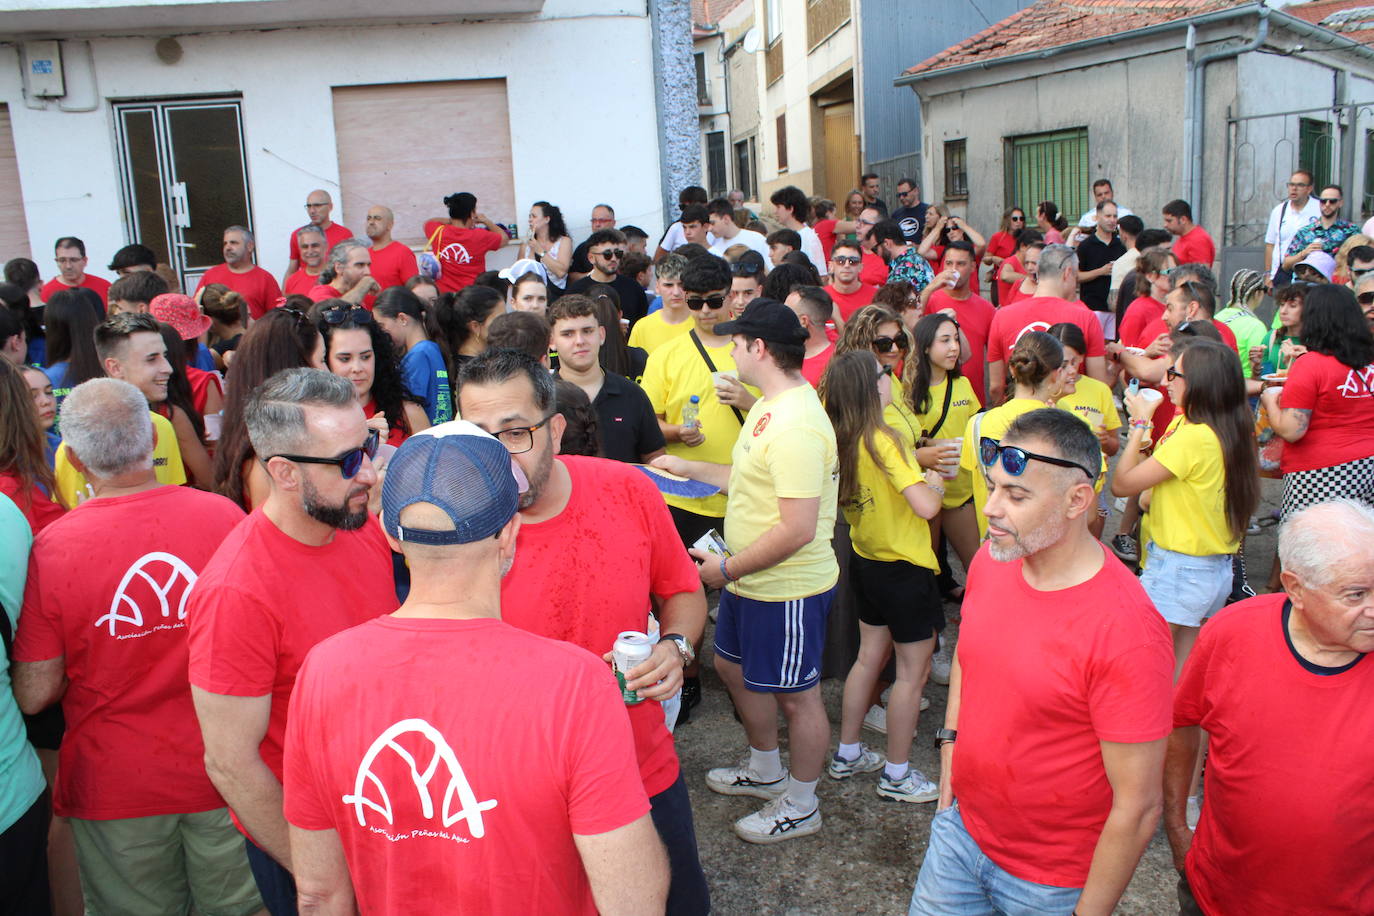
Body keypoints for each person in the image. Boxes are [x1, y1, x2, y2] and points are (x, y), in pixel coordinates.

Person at [283, 421, 669, 914]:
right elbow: (633, 901)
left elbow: (318, 893)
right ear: (509, 532)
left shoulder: (323, 670)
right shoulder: (575, 683)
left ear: (390, 535)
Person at [456, 349, 710, 914]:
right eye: (478, 435)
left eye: (515, 432)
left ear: (557, 429)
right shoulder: (452, 523)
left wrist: (676, 646)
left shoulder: (628, 489)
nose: (498, 454)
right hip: (516, 789)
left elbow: (683, 590)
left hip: (638, 764)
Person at [12, 378, 262, 916]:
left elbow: (35, 691)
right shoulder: (224, 518)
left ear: (74, 461)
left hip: (117, 785)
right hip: (228, 771)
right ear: (153, 437)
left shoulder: (54, 546)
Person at [910, 408, 1173, 916]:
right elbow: (971, 651)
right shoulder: (993, 559)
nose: (991, 509)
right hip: (960, 837)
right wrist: (950, 742)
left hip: (1051, 885)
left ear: (1079, 500)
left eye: (1016, 495)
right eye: (992, 487)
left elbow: (1139, 807)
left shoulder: (1127, 631)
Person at [188, 368, 396, 915]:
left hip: (383, 811)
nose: (370, 474)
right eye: (348, 461)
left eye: (368, 446)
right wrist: (316, 874)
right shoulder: (237, 591)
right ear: (281, 471)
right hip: (312, 844)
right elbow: (230, 763)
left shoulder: (356, 527)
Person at [653, 298, 839, 845]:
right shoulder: (769, 405)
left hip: (785, 589)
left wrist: (726, 570)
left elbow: (799, 527)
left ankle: (802, 805)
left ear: (759, 349)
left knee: (798, 697)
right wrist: (688, 468)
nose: (728, 347)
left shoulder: (797, 425)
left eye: (736, 341)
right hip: (748, 579)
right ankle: (765, 769)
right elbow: (749, 478)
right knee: (731, 666)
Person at [1165, 499, 1374, 916]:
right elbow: (1182, 724)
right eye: (1356, 594)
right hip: (1213, 896)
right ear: (1295, 588)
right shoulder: (1232, 632)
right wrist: (1177, 827)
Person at [820, 349, 946, 802]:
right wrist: (934, 483)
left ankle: (848, 752)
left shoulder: (842, 438)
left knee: (867, 659)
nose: (890, 377)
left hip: (867, 561)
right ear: (873, 388)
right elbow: (927, 507)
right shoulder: (883, 438)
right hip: (906, 568)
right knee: (912, 675)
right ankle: (896, 774)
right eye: (884, 373)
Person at [1113, 338, 1259, 678]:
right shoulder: (1227, 428)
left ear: (1200, 382)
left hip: (1179, 570)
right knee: (1180, 676)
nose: (1165, 382)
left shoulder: (1194, 437)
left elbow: (1122, 485)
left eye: (1173, 373)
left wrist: (1138, 424)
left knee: (1144, 669)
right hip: (1210, 570)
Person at [640, 256, 753, 546]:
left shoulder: (756, 348)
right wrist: (678, 431)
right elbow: (648, 424)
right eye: (695, 302)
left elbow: (784, 413)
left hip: (747, 492)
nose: (704, 311)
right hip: (684, 498)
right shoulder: (665, 356)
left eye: (714, 302)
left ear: (730, 297)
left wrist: (750, 402)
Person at [1260, 284, 1374, 516]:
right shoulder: (1369, 360)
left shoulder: (1312, 364)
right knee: (1361, 543)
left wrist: (1270, 401)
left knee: (1306, 544)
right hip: (1369, 467)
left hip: (1321, 472)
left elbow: (1292, 430)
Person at [959, 332, 1076, 538]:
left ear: (1013, 369)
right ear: (1056, 374)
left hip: (994, 542)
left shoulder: (977, 423)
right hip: (1042, 546)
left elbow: (971, 483)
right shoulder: (1064, 428)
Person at [212, 308, 324, 511]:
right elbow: (277, 537)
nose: (328, 371)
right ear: (297, 370)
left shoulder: (256, 437)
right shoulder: (266, 461)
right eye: (322, 360)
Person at [985, 245, 1108, 405]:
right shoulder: (1086, 317)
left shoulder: (1002, 316)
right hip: (1068, 420)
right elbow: (1098, 386)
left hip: (1018, 418)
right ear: (1068, 273)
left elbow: (995, 387)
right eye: (1076, 277)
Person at [551, 294, 665, 463]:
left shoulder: (633, 395)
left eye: (587, 331)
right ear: (551, 341)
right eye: (568, 334)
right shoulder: (540, 400)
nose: (580, 341)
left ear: (601, 335)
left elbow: (654, 457)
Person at [319, 304, 429, 448]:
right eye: (345, 359)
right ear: (324, 360)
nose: (357, 368)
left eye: (366, 357)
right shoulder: (312, 422)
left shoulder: (410, 413)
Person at [920, 240, 995, 405]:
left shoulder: (986, 309)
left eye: (961, 264)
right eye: (948, 263)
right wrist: (930, 287)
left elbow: (995, 357)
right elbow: (911, 329)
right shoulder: (930, 300)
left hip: (973, 401)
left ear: (973, 267)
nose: (953, 269)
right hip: (934, 402)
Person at [372, 287, 452, 425]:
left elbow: (412, 408)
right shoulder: (431, 348)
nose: (381, 333)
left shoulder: (418, 356)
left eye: (381, 325)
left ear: (402, 318)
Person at [0, 359, 63, 533]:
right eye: (31, 396)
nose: (45, 401)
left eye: (49, 392)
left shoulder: (63, 448)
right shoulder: (8, 480)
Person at [423, 192, 506, 294]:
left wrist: (451, 220)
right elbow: (504, 239)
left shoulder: (438, 230)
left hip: (444, 295)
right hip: (471, 294)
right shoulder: (480, 236)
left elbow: (428, 222)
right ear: (471, 213)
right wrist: (486, 221)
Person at [196, 227, 282, 320]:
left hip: (253, 333)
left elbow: (277, 318)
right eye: (225, 243)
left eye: (233, 243)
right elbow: (196, 310)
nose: (228, 248)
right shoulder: (210, 275)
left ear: (250, 246)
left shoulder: (265, 279)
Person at [567, 229, 650, 324]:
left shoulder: (633, 288)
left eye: (618, 253)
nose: (613, 259)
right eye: (607, 254)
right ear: (591, 258)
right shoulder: (576, 291)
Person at [283, 190, 353, 287]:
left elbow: (351, 268)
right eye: (309, 206)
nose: (312, 211)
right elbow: (292, 269)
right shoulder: (298, 235)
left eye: (317, 205)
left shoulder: (344, 234)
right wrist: (285, 299)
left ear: (330, 207)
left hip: (335, 292)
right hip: (305, 294)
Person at [1266, 169, 1322, 287]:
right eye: (1291, 184)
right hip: (1284, 271)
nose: (1294, 188)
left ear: (1309, 189)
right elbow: (1271, 244)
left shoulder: (1319, 208)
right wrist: (1268, 275)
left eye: (1300, 185)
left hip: (1311, 272)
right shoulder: (1279, 211)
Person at [1074, 200, 1126, 325]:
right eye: (1108, 216)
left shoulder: (1121, 245)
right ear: (1097, 217)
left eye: (1115, 216)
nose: (1112, 220)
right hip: (1093, 309)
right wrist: (1101, 271)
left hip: (1116, 309)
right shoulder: (1086, 246)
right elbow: (1077, 276)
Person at [628, 253, 693, 354]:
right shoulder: (642, 328)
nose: (676, 292)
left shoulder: (703, 324)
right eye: (668, 285)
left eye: (682, 285)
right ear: (657, 287)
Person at [1215, 269, 1269, 380]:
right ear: (1257, 293)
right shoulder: (1256, 326)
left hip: (1217, 383)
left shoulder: (1217, 317)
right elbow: (1258, 365)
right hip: (1244, 387)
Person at [438, 283, 505, 372]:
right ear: (475, 326)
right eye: (500, 319)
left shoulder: (485, 361)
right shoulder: (474, 371)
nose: (506, 324)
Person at [770, 186, 829, 277]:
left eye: (778, 207)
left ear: (790, 209)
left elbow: (821, 275)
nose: (775, 212)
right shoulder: (784, 235)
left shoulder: (809, 237)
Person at [783, 285, 836, 386]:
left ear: (804, 321)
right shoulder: (779, 352)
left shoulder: (834, 365)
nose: (780, 317)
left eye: (786, 313)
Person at [517, 200, 573, 293]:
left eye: (534, 216)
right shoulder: (525, 246)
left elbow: (561, 272)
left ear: (547, 219)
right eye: (529, 216)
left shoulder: (564, 241)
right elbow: (519, 274)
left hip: (555, 295)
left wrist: (540, 251)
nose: (530, 220)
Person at [363, 205, 419, 292]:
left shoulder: (402, 253)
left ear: (390, 225)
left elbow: (415, 291)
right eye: (368, 218)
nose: (371, 222)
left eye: (377, 218)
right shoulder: (363, 255)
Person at [309, 239, 379, 306]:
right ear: (339, 268)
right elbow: (338, 313)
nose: (368, 272)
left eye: (368, 265)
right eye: (360, 265)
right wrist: (363, 285)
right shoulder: (320, 293)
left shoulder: (359, 297)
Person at [41, 238, 111, 305]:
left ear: (85, 261)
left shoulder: (105, 287)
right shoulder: (46, 293)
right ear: (56, 261)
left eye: (74, 260)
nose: (68, 266)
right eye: (62, 260)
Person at [872, 218, 934, 293]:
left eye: (875, 249)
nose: (876, 254)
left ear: (886, 243)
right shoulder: (919, 259)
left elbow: (890, 303)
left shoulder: (901, 272)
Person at [653, 186, 712, 262]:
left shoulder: (716, 229)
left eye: (692, 227)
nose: (687, 232)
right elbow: (658, 259)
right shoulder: (675, 227)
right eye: (683, 207)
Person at [825, 239, 878, 322]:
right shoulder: (819, 297)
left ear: (861, 267)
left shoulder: (876, 297)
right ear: (831, 266)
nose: (847, 265)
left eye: (853, 261)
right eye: (840, 260)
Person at [707, 197, 769, 263]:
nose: (709, 229)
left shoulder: (757, 240)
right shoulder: (713, 251)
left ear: (726, 219)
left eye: (713, 223)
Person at [982, 208, 1022, 305]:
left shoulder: (1024, 237)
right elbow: (986, 259)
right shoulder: (998, 237)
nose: (1019, 222)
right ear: (1007, 220)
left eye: (1022, 218)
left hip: (1019, 280)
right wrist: (993, 259)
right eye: (1015, 219)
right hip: (1000, 281)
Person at [568, 203, 617, 280]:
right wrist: (593, 275)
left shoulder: (621, 246)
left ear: (613, 223)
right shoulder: (583, 248)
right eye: (594, 220)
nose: (597, 224)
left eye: (602, 220)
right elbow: (571, 276)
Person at [1163, 199, 1217, 268]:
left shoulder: (1198, 239)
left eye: (1169, 221)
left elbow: (1202, 273)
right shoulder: (1184, 237)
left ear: (1183, 220)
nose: (1165, 225)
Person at [996, 229, 1043, 306]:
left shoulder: (1029, 263)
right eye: (1035, 248)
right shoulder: (1010, 261)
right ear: (1022, 246)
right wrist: (1030, 278)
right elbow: (1005, 276)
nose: (1038, 252)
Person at [283, 225, 328, 297]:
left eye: (315, 246)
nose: (310, 251)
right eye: (305, 247)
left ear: (326, 246)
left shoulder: (338, 277)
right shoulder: (292, 281)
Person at [890, 178, 929, 244]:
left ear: (916, 191)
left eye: (905, 194)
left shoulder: (927, 211)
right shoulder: (896, 214)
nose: (901, 198)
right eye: (899, 195)